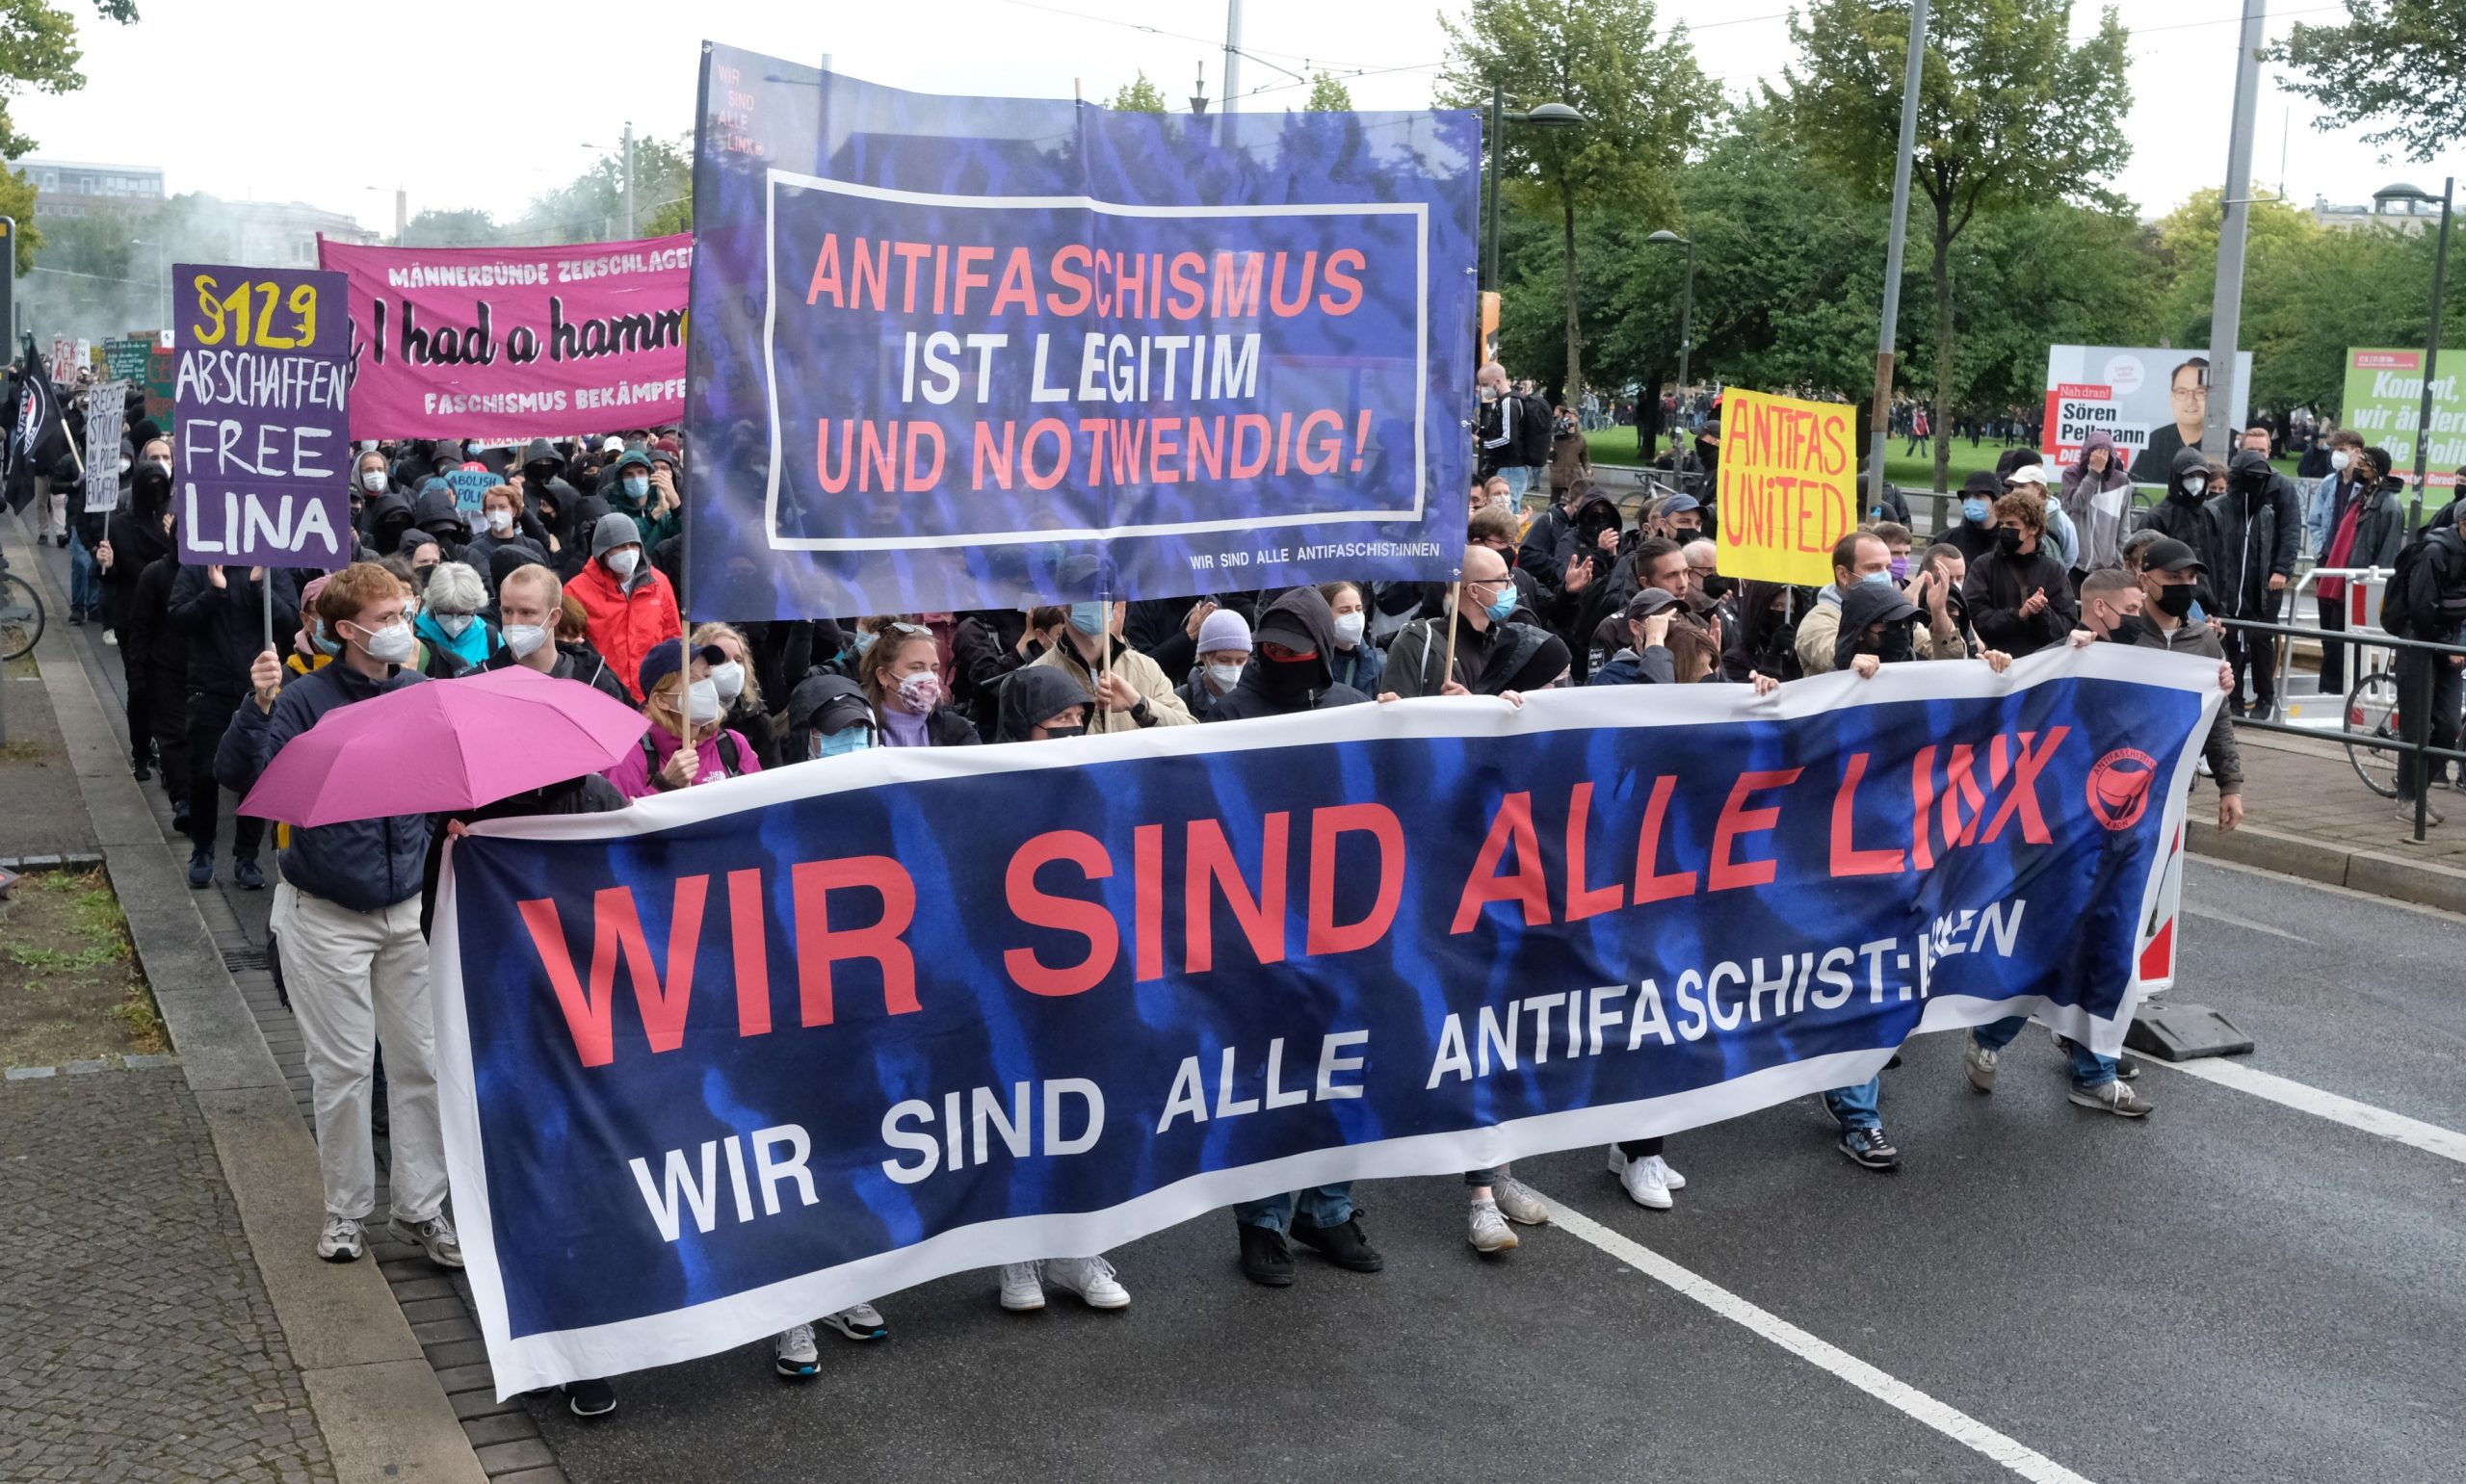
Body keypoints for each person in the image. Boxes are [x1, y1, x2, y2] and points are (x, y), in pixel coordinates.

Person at [213, 563, 460, 1268]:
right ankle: (347, 1211)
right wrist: (257, 707)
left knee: (423, 1063)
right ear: (346, 630)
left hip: (406, 911)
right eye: (385, 619)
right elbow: (248, 777)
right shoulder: (303, 699)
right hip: (325, 913)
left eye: (403, 612)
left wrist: (449, 831)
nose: (400, 628)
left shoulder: (419, 691)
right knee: (344, 1069)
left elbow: (441, 779)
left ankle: (421, 1209)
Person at [1826, 581, 2012, 1165]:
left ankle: (1849, 1084)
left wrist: (1993, 672)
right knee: (1862, 985)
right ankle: (1858, 1113)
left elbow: (1965, 709)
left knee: (1896, 982)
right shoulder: (1832, 691)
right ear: (1862, 633)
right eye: (1891, 626)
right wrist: (1839, 681)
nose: (1905, 636)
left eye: (1911, 624)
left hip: (1916, 861)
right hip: (1845, 869)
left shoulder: (1914, 677)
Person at [168, 560, 302, 888]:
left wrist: (258, 588)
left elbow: (289, 621)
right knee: (203, 773)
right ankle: (202, 848)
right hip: (207, 687)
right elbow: (177, 619)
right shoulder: (198, 565)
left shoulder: (270, 565)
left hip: (256, 692)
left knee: (254, 774)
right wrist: (213, 593)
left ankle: (247, 855)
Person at [2381, 501, 2466, 825]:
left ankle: (2418, 789)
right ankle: (2408, 800)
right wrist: (2447, 647)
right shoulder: (2435, 553)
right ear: (2462, 524)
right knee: (2416, 726)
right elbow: (2421, 608)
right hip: (2419, 640)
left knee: (2449, 726)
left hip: (2448, 641)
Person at [1385, 544, 1558, 697]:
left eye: (1510, 578)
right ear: (1474, 590)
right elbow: (1397, 718)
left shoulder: (1507, 644)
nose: (1512, 586)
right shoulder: (1418, 642)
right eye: (1503, 579)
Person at [605, 639, 765, 799]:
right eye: (691, 679)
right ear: (661, 700)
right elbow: (620, 821)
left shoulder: (733, 745)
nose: (705, 686)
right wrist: (664, 784)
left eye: (707, 675)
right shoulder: (631, 755)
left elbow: (761, 808)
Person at [1024, 586, 1194, 734]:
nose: (1095, 600)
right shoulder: (1033, 677)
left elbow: (1189, 733)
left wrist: (1138, 704)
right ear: (1061, 602)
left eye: (1102, 592)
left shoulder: (1145, 668)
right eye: (1085, 591)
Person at [2316, 445, 2409, 715]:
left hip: (2361, 583)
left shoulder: (2389, 506)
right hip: (2346, 580)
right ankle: (2337, 691)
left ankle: (2352, 695)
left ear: (2376, 470)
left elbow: (2387, 553)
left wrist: (2372, 587)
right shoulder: (2363, 498)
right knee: (2336, 636)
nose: (2359, 467)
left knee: (2355, 644)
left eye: (2365, 463)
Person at [98, 462, 175, 778]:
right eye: (151, 482)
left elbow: (182, 567)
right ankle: (141, 753)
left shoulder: (173, 524)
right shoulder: (117, 526)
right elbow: (108, 579)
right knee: (139, 688)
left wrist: (176, 538)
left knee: (168, 688)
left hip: (169, 619)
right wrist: (107, 563)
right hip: (133, 621)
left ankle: (165, 746)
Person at [1204, 586, 1372, 723]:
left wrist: (1390, 715)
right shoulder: (1229, 715)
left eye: (1293, 651)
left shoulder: (1352, 706)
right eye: (1272, 648)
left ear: (1321, 649)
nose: (1279, 657)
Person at [2217, 446, 2300, 718]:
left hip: (2265, 581)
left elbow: (2290, 530)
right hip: (2235, 582)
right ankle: (2236, 698)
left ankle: (2265, 697)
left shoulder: (2276, 495)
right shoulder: (2226, 504)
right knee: (2233, 640)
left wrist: (2282, 570)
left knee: (2263, 639)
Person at [568, 511, 681, 703]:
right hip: (603, 696)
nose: (628, 552)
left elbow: (674, 637)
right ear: (602, 552)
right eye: (619, 547)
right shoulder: (576, 590)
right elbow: (570, 647)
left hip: (654, 697)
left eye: (633, 545)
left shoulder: (659, 582)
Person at [1964, 488, 2078, 657]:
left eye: (2011, 524)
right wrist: (2018, 614)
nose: (2003, 529)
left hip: (2038, 666)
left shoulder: (2054, 571)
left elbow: (2066, 629)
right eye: (2001, 523)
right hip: (1992, 663)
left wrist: (2041, 612)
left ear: (2033, 528)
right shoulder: (1984, 565)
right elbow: (1974, 619)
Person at [2307, 430, 2374, 693]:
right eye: (2336, 449)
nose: (2338, 455)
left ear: (2358, 453)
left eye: (2343, 450)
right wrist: (2321, 550)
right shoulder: (2328, 484)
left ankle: (2350, 684)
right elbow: (2315, 520)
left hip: (2351, 566)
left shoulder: (2366, 487)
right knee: (2327, 625)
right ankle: (2331, 683)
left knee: (2347, 624)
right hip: (2328, 563)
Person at [859, 620, 981, 747]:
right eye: (916, 668)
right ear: (883, 676)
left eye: (934, 669)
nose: (929, 677)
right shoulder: (858, 731)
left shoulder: (957, 730)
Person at [2058, 430, 2134, 582]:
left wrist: (2119, 565)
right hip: (2075, 566)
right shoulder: (2071, 475)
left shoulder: (2122, 482)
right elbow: (2077, 506)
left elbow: (2124, 528)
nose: (2100, 459)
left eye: (2105, 456)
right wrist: (2093, 473)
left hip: (2106, 568)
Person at [2130, 355, 2210, 483]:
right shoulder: (2156, 440)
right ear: (2172, 397)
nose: (2190, 401)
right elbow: (2137, 487)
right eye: (2182, 392)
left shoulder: (2229, 442)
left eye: (2200, 392)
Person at [412, 562, 499, 672]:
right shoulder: (415, 634)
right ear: (433, 607)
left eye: (463, 614)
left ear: (475, 607)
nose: (454, 622)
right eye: (446, 613)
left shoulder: (491, 639)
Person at [1177, 606, 1252, 721]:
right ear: (1203, 656)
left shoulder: (1256, 698)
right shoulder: (1180, 700)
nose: (1233, 667)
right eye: (1223, 660)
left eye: (1240, 660)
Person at [1320, 581, 1385, 694]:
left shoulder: (1375, 666)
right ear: (1324, 614)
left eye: (1359, 609)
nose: (1355, 616)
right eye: (1345, 611)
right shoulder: (1312, 666)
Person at [1943, 471, 2004, 563]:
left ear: (1996, 503)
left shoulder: (2006, 543)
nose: (1971, 501)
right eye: (1966, 496)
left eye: (1979, 496)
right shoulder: (1946, 541)